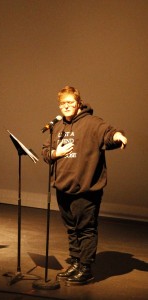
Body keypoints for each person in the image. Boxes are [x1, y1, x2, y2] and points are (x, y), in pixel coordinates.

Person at [41, 86, 127, 286]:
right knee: (72, 229)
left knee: (86, 229)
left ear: (78, 103)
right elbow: (46, 151)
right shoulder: (58, 127)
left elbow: (109, 134)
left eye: (70, 102)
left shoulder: (92, 123)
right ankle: (76, 262)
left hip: (86, 189)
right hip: (63, 186)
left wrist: (118, 137)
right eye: (63, 103)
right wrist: (56, 153)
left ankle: (86, 268)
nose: (67, 106)